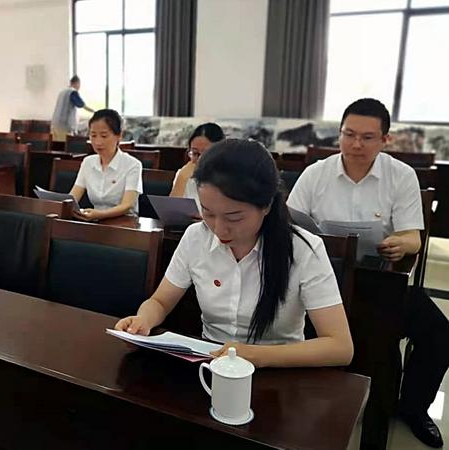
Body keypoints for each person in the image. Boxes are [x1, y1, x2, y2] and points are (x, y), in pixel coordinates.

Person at [288, 98, 449, 448]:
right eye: (349, 134)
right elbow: (289, 225)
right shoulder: (316, 173)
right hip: (322, 279)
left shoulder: (400, 175)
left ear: (385, 140)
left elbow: (413, 237)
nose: (356, 144)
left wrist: (400, 244)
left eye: (367, 137)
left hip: (380, 279)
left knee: (439, 332)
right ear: (339, 134)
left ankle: (413, 408)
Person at [115, 138, 354, 368]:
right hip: (208, 365)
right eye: (208, 213)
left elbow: (340, 347)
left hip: (279, 374)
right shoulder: (195, 237)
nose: (219, 229)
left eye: (234, 217)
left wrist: (256, 355)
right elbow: (160, 301)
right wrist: (143, 321)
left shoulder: (303, 249)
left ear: (266, 206)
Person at [70, 109, 143, 221]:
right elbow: (72, 197)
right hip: (95, 221)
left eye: (104, 136)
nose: (98, 142)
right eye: (93, 135)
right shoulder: (88, 162)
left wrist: (100, 214)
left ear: (119, 136)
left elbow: (127, 205)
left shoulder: (133, 165)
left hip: (125, 223)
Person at [170, 122, 225, 211]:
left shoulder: (231, 178)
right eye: (195, 153)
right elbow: (171, 213)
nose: (200, 160)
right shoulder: (184, 173)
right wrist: (181, 179)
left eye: (206, 154)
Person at [51, 75, 95, 142]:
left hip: (55, 124)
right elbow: (81, 104)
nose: (79, 87)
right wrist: (94, 111)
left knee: (57, 145)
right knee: (65, 145)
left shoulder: (62, 92)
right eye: (79, 85)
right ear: (77, 83)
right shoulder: (72, 92)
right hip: (64, 125)